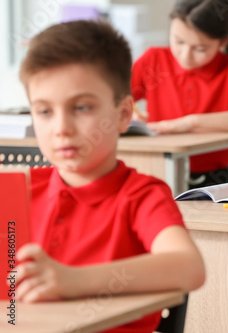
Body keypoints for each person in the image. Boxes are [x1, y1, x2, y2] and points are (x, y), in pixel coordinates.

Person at [16, 20, 205, 333]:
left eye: (81, 107)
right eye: (45, 111)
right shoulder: (19, 190)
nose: (61, 127)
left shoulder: (141, 196)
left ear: (123, 115)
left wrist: (71, 281)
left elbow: (189, 267)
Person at [131, 0, 228, 188]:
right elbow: (114, 99)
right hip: (156, 173)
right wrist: (129, 116)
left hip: (218, 179)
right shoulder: (154, 60)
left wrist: (192, 122)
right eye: (178, 41)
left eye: (200, 48)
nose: (185, 55)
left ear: (224, 41)